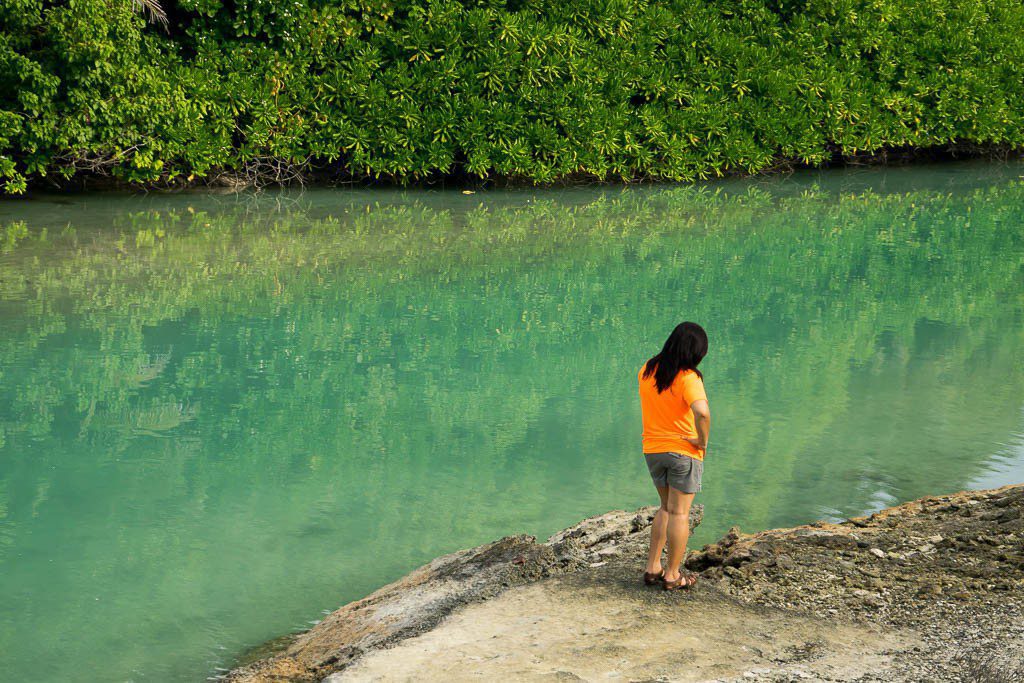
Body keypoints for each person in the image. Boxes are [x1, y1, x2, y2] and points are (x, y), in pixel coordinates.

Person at [637, 322, 711, 591]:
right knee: (680, 513)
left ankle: (652, 567)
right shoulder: (688, 377)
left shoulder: (647, 369)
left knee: (666, 507)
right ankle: (672, 574)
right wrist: (701, 441)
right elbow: (702, 412)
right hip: (682, 452)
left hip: (653, 449)